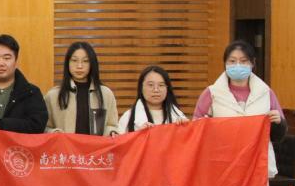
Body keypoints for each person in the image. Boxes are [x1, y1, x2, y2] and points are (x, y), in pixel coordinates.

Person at [194, 40, 284, 176]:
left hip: (256, 165)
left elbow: (278, 135)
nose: (237, 65)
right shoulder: (212, 93)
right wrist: (203, 125)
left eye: (243, 61)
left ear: (252, 63)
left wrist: (278, 123)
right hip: (222, 164)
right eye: (232, 61)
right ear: (225, 64)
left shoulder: (266, 93)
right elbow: (196, 129)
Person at [44, 41, 119, 136]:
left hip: (96, 145)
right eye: (74, 60)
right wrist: (54, 132)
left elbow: (112, 125)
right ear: (67, 63)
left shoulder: (106, 94)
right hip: (65, 145)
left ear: (92, 64)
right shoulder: (53, 95)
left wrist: (112, 132)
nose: (79, 66)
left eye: (85, 61)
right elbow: (44, 127)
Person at [117, 65, 189, 134]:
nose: (156, 90)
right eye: (150, 85)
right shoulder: (128, 117)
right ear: (141, 88)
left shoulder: (179, 117)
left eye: (161, 85)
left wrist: (184, 128)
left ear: (167, 88)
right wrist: (139, 135)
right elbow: (120, 141)